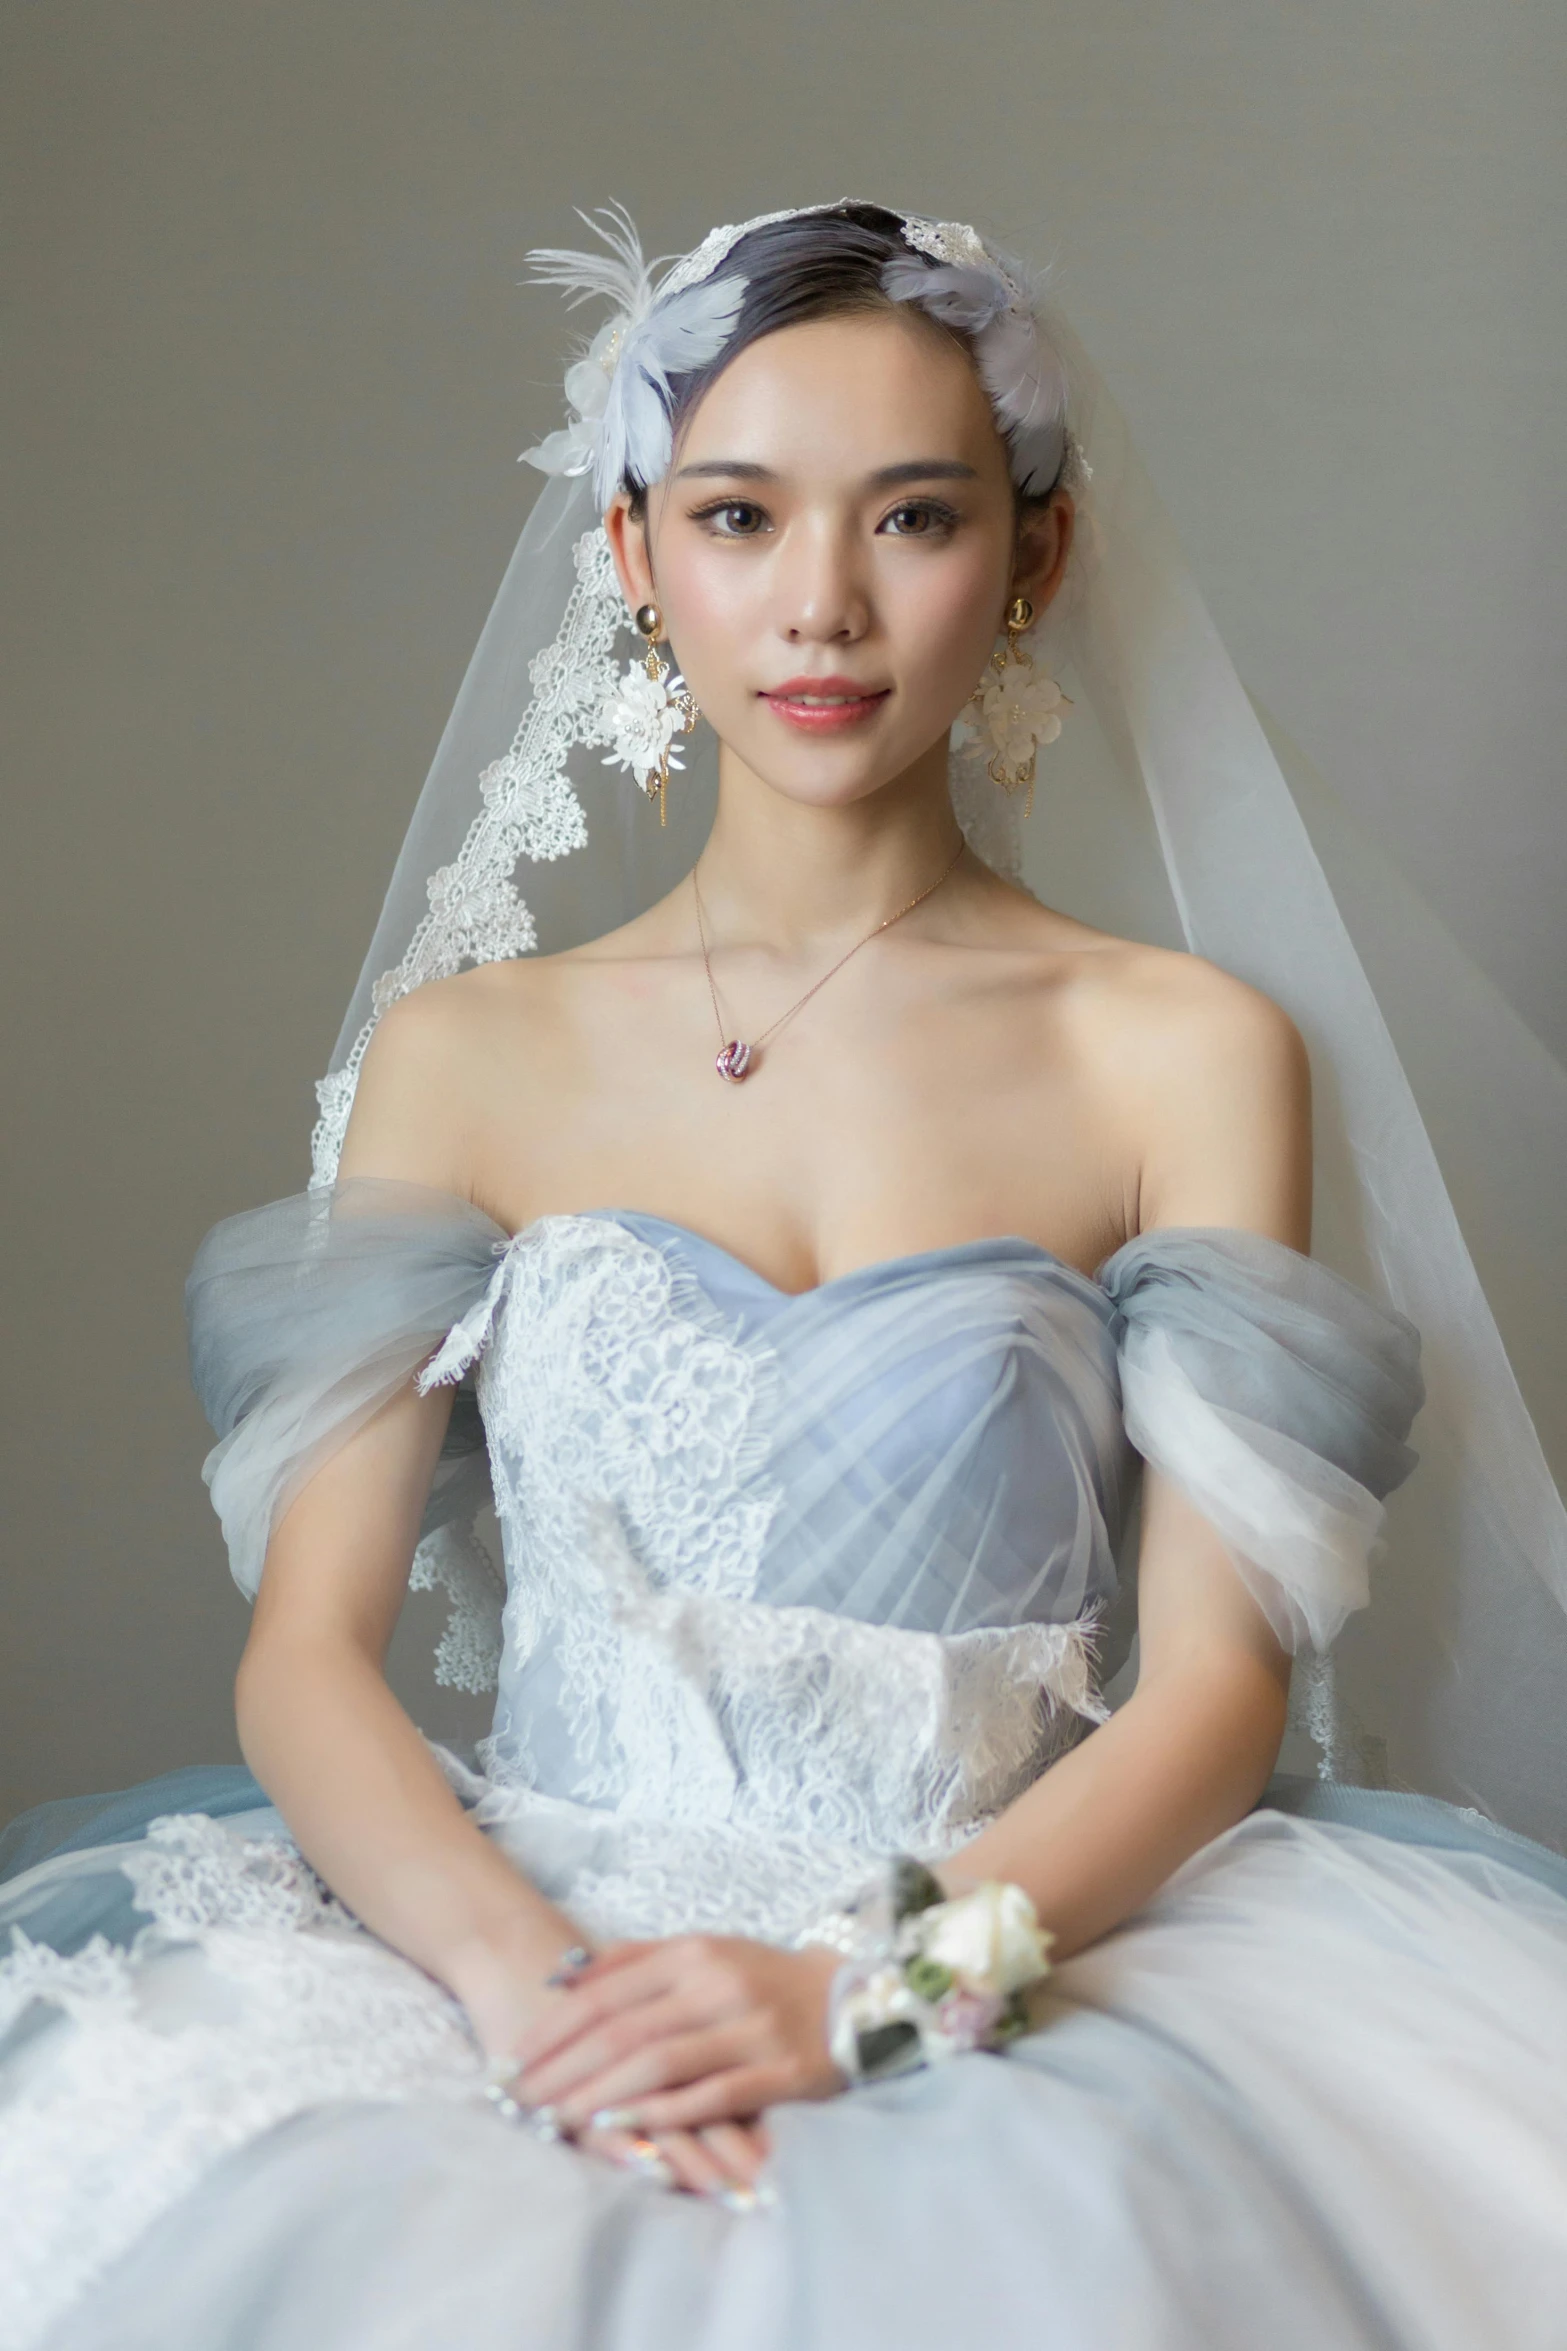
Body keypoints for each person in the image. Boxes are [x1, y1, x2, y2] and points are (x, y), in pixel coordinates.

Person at [2, 199, 1565, 2351]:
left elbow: (1214, 1689)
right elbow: (307, 1658)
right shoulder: (468, 1057)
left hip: (1006, 1944)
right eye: (739, 514)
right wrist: (538, 1994)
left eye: (913, 517)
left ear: (1036, 557)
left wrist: (871, 1993)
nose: (822, 602)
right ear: (637, 556)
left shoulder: (1180, 1048)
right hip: (517, 1939)